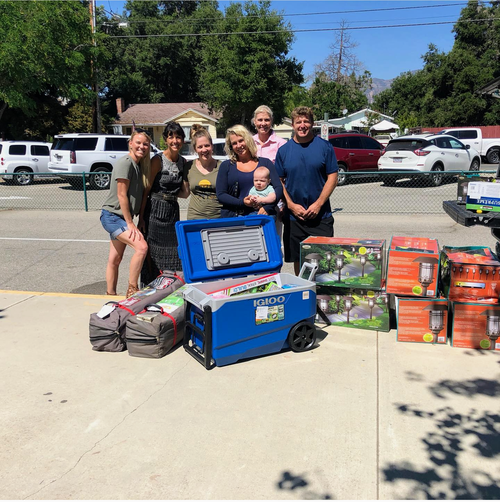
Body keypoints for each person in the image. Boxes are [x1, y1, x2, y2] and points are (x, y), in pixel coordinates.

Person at [275, 106, 339, 275]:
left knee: (324, 262)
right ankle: (303, 289)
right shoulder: (284, 151)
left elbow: (333, 177)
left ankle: (321, 291)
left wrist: (318, 204)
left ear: (312, 123)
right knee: (299, 261)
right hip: (294, 218)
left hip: (321, 216)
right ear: (293, 125)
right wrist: (290, 205)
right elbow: (279, 181)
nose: (302, 125)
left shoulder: (325, 147)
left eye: (306, 121)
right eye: (298, 122)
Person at [100, 129, 152, 298]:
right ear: (130, 144)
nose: (142, 146)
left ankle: (110, 295)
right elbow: (121, 194)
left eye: (145, 144)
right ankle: (132, 290)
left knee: (115, 259)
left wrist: (140, 219)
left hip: (121, 218)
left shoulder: (138, 165)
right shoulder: (126, 163)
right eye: (138, 143)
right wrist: (130, 223)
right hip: (113, 216)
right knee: (142, 247)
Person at [140, 122, 189, 285]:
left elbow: (184, 192)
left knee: (173, 253)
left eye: (178, 137)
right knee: (153, 253)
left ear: (183, 140)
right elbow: (146, 190)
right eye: (171, 137)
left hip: (172, 212)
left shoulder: (183, 162)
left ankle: (170, 287)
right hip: (155, 210)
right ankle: (151, 287)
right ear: (166, 139)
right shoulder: (158, 160)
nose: (175, 141)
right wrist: (141, 219)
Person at [216, 124, 283, 218]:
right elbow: (221, 194)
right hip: (234, 217)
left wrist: (268, 207)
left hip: (261, 216)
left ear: (248, 140)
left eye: (241, 140)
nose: (238, 145)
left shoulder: (266, 163)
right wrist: (242, 202)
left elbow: (278, 188)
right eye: (234, 143)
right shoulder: (226, 166)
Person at [185, 124, 223, 220]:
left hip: (218, 218)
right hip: (195, 218)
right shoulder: (188, 167)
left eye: (207, 145)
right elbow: (184, 192)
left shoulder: (222, 167)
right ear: (195, 149)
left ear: (212, 146)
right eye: (200, 147)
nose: (204, 150)